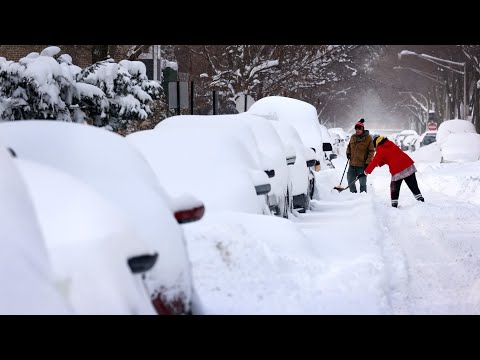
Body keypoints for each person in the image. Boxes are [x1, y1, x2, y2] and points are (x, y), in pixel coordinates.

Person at [361, 135, 424, 208]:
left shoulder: (380, 148)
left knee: (394, 188)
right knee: (413, 186)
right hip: (408, 165)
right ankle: (421, 202)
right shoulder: (389, 143)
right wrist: (379, 164)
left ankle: (394, 206)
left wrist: (366, 172)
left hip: (397, 169)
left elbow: (375, 161)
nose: (375, 149)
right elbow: (389, 156)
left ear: (376, 144)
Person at [346, 118, 374, 193]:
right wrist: (348, 153)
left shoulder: (368, 138)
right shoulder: (353, 137)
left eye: (359, 129)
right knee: (350, 180)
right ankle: (353, 195)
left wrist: (368, 163)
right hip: (352, 164)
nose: (357, 130)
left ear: (362, 129)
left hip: (362, 165)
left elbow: (371, 151)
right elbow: (349, 147)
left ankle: (363, 198)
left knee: (362, 183)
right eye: (356, 129)